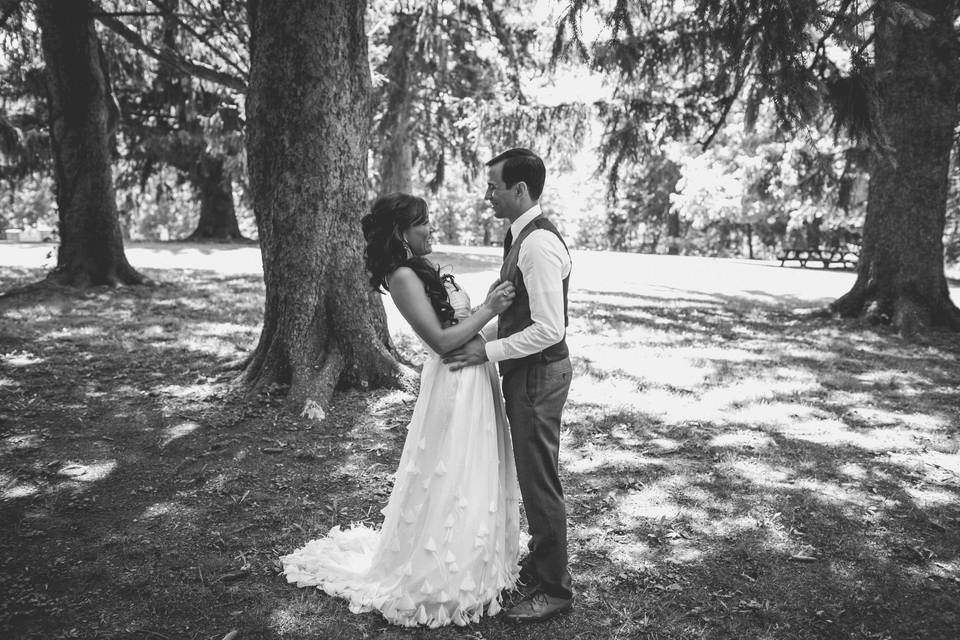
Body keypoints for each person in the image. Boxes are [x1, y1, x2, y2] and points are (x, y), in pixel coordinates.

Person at [280, 192, 523, 628]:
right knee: (451, 471)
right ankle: (444, 569)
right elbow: (441, 341)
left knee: (475, 469)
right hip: (454, 382)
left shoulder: (426, 269)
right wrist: (489, 308)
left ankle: (475, 556)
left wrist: (492, 314)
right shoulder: (402, 277)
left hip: (476, 377)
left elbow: (460, 327)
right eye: (422, 223)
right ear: (401, 233)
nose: (430, 228)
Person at [443, 148, 574, 623]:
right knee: (532, 475)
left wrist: (485, 350)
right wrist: (480, 333)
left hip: (539, 374)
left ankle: (555, 590)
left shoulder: (537, 244)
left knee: (539, 482)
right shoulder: (519, 236)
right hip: (529, 371)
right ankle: (541, 568)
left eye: (494, 186)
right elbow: (520, 316)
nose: (488, 195)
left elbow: (549, 329)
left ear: (520, 189)